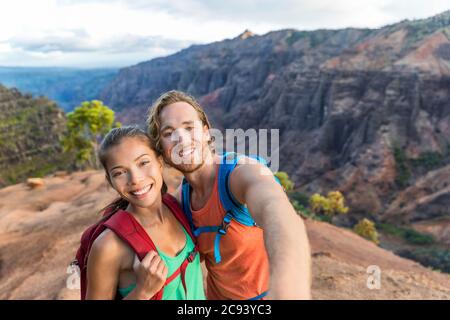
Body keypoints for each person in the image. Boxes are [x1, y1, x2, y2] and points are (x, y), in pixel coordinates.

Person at [147, 91, 311, 300]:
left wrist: (288, 288)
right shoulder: (182, 200)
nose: (181, 138)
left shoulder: (241, 172)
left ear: (207, 132)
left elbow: (278, 212)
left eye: (189, 127)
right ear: (162, 149)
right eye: (169, 133)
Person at [82, 126, 206, 300]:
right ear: (110, 181)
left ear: (160, 162)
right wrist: (142, 292)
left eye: (143, 163)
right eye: (119, 173)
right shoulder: (109, 246)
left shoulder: (178, 208)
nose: (136, 179)